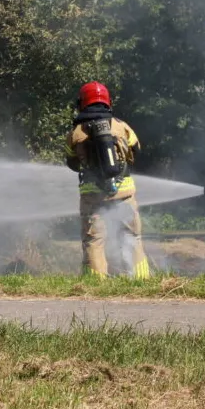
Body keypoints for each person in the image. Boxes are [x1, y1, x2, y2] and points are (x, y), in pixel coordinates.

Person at [64, 81, 150, 278]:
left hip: (92, 196)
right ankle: (141, 281)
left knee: (94, 241)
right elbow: (136, 151)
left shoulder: (76, 133)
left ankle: (95, 285)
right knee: (131, 237)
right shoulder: (122, 126)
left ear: (82, 103)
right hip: (124, 192)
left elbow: (72, 163)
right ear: (107, 101)